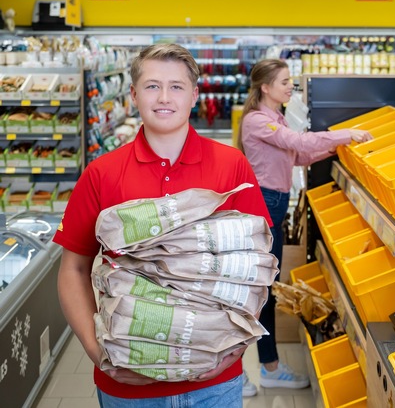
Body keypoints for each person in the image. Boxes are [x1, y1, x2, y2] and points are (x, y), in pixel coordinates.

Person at [53, 43, 272, 408]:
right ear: (134, 95)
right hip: (127, 388)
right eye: (153, 86)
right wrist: (97, 352)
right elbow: (73, 268)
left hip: (214, 383)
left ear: (194, 95)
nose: (164, 97)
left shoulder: (231, 167)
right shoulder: (102, 174)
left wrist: (238, 345)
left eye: (176, 86)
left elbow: (258, 267)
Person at [237, 58, 372, 396]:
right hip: (264, 205)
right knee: (255, 290)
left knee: (266, 288)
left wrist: (339, 146)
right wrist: (344, 134)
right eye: (284, 82)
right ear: (265, 87)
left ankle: (267, 366)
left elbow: (299, 156)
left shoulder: (276, 118)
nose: (290, 87)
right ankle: (239, 371)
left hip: (274, 205)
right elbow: (297, 143)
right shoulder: (257, 121)